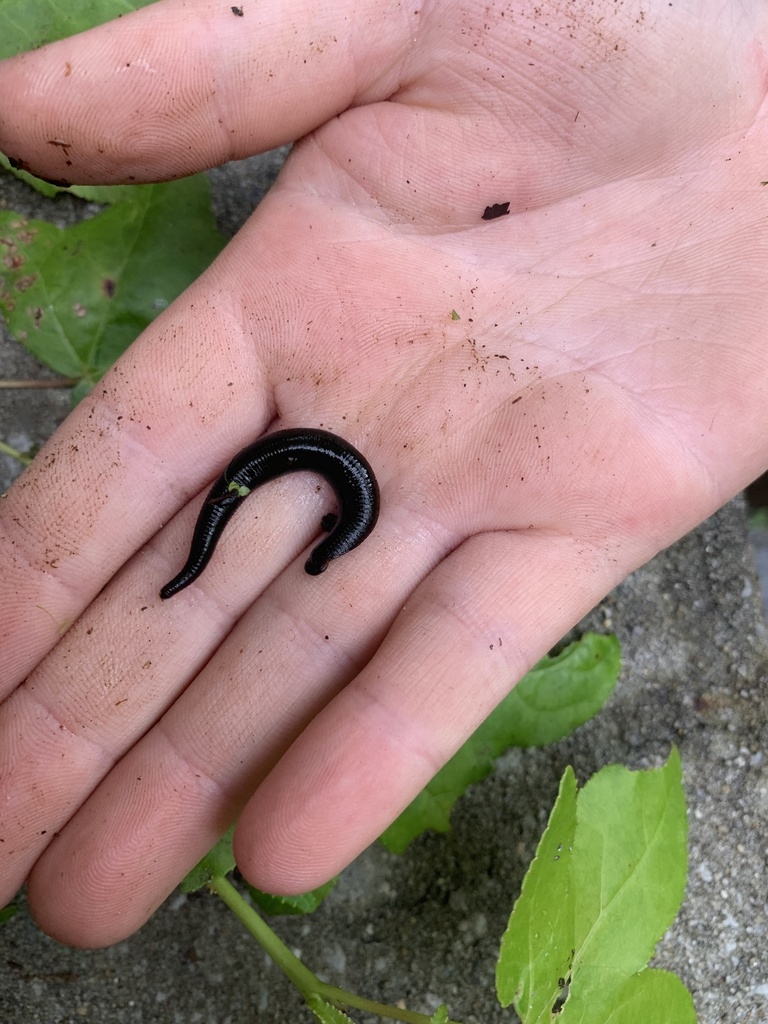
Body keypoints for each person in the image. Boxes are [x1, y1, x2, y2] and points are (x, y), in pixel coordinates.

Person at [1, 0, 767, 949]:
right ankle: (215, 550)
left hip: (340, 476)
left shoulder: (347, 501)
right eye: (332, 542)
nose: (328, 545)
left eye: (331, 542)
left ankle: (226, 548)